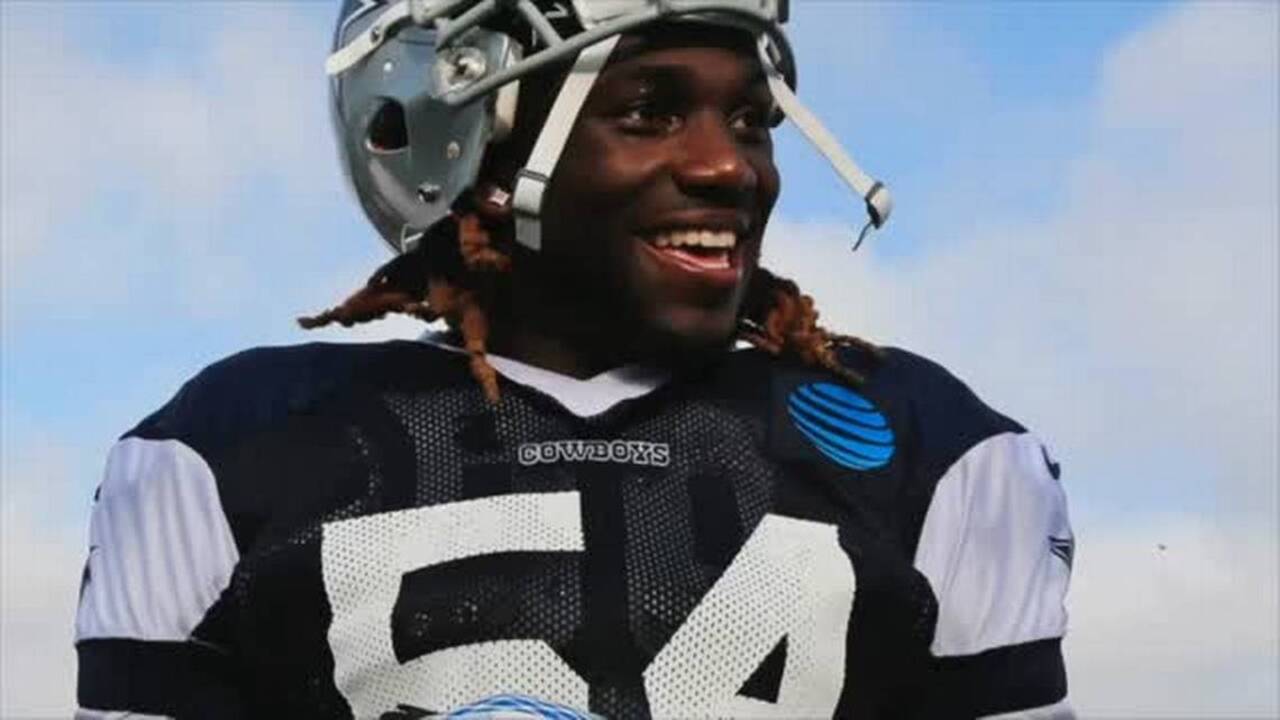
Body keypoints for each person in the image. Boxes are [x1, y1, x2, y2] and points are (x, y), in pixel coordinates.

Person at [73, 1, 1074, 718]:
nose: (728, 166)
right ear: (470, 149)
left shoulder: (925, 446)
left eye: (750, 119)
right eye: (647, 111)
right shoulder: (233, 445)